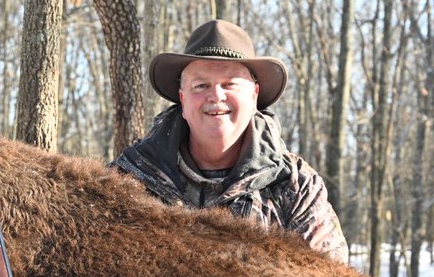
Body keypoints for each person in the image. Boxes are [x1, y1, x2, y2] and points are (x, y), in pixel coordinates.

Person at [113, 20, 349, 264]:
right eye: (201, 85)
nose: (216, 95)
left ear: (254, 96)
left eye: (229, 84)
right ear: (183, 99)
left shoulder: (296, 186)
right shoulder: (128, 180)